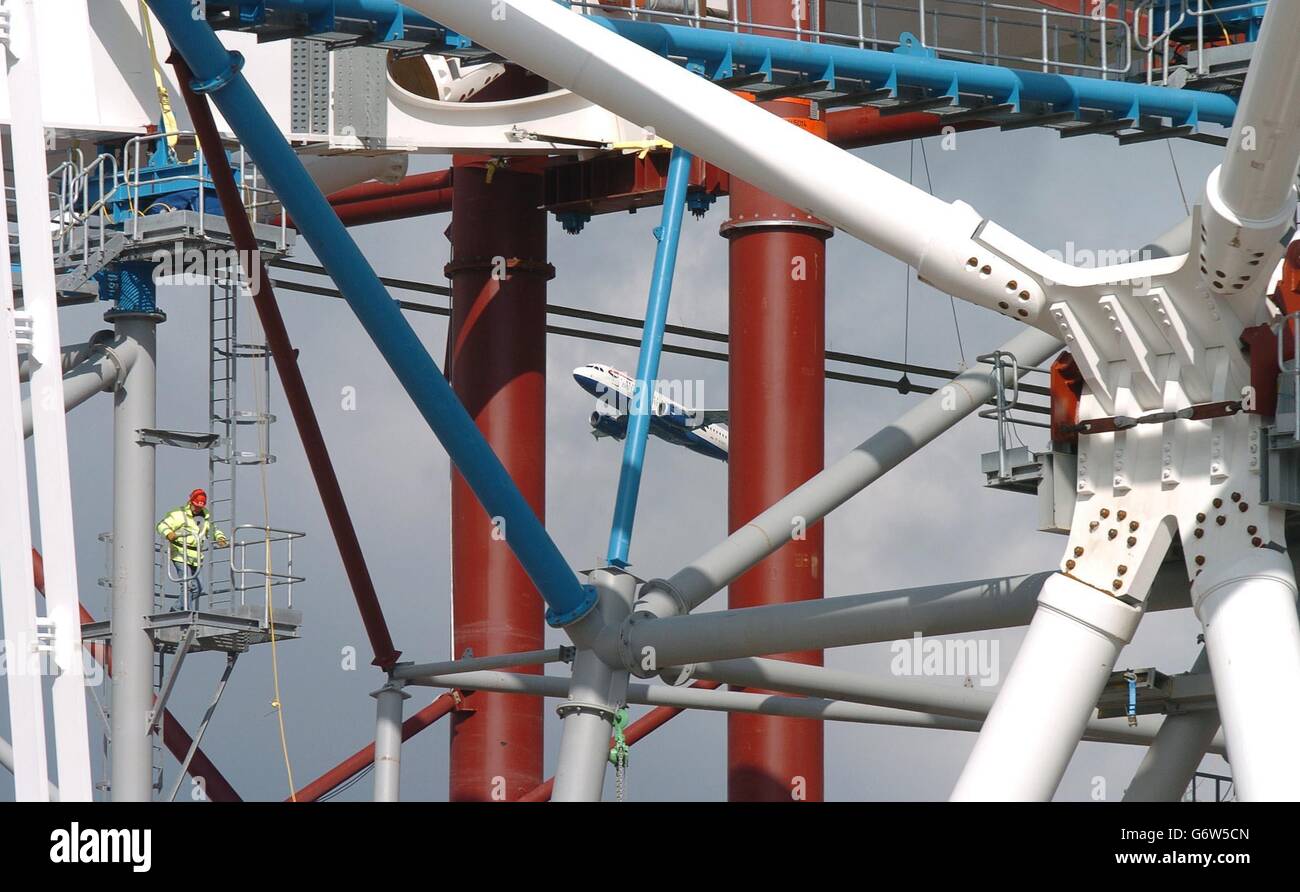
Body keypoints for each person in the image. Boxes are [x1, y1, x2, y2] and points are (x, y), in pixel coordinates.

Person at [156, 488, 228, 609]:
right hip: (180, 553)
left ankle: (176, 609)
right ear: (191, 502)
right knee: (188, 586)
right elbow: (162, 525)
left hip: (196, 556)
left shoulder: (206, 517)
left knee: (198, 588)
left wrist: (220, 538)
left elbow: (214, 530)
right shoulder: (178, 514)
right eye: (196, 506)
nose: (198, 509)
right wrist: (168, 533)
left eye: (200, 506)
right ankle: (185, 613)